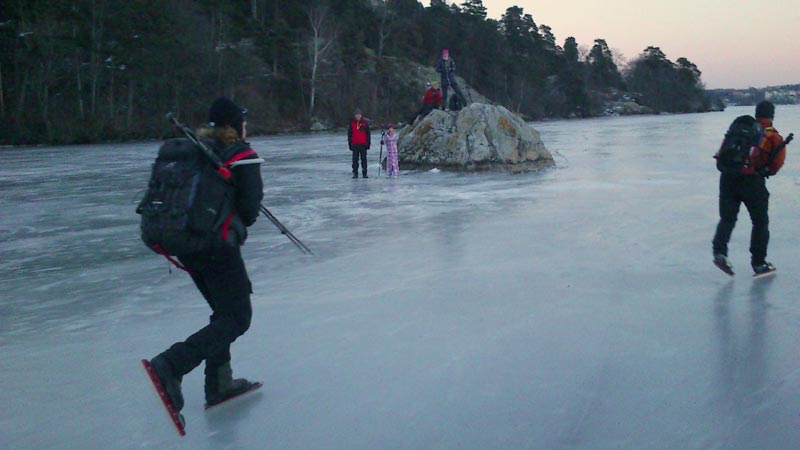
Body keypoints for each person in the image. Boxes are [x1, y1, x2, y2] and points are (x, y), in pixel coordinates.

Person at [147, 97, 264, 414]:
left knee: (222, 312)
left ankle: (219, 384)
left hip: (187, 244)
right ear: (236, 124)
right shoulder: (239, 153)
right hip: (216, 246)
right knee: (237, 318)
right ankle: (171, 364)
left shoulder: (195, 149)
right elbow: (250, 210)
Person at [712, 100, 787, 276]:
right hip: (751, 181)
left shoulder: (741, 130)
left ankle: (720, 252)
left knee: (727, 219)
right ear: (772, 115)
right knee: (760, 222)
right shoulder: (773, 136)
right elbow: (776, 164)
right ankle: (759, 263)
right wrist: (765, 170)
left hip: (728, 177)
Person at [348, 109, 371, 178]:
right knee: (355, 160)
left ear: (361, 115)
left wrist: (368, 143)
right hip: (355, 144)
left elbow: (368, 134)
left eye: (359, 115)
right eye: (356, 115)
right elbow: (349, 135)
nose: (358, 116)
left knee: (364, 159)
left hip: (363, 144)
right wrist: (350, 144)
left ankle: (365, 173)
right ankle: (355, 173)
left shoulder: (365, 124)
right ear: (355, 116)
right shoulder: (352, 124)